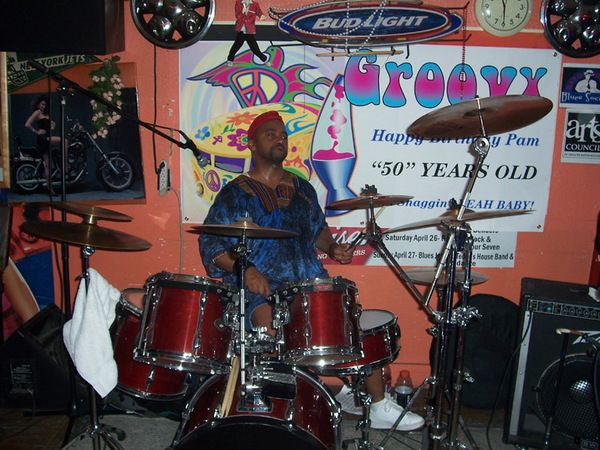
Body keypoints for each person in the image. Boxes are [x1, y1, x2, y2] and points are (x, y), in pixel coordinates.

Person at [199, 110, 424, 431]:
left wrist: (331, 247)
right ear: (251, 143)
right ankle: (275, 412)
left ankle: (376, 404)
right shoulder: (234, 193)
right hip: (258, 287)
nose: (280, 139)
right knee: (270, 329)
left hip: (308, 280)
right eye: (271, 134)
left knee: (351, 325)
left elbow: (318, 230)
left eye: (283, 135)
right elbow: (211, 244)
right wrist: (245, 270)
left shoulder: (303, 189)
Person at [24, 95, 64, 192]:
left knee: (51, 161)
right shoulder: (37, 112)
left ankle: (61, 169)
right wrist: (35, 131)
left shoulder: (45, 114)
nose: (43, 106)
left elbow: (51, 125)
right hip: (43, 139)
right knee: (48, 164)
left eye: (45, 105)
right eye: (42, 104)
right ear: (38, 105)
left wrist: (52, 126)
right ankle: (51, 186)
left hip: (47, 137)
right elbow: (27, 124)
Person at [227, 0, 268, 66]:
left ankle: (265, 60)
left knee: (255, 48)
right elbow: (237, 15)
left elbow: (259, 11)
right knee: (236, 46)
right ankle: (230, 60)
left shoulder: (255, 4)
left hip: (249, 30)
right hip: (241, 30)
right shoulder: (238, 3)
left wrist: (261, 15)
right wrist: (242, 12)